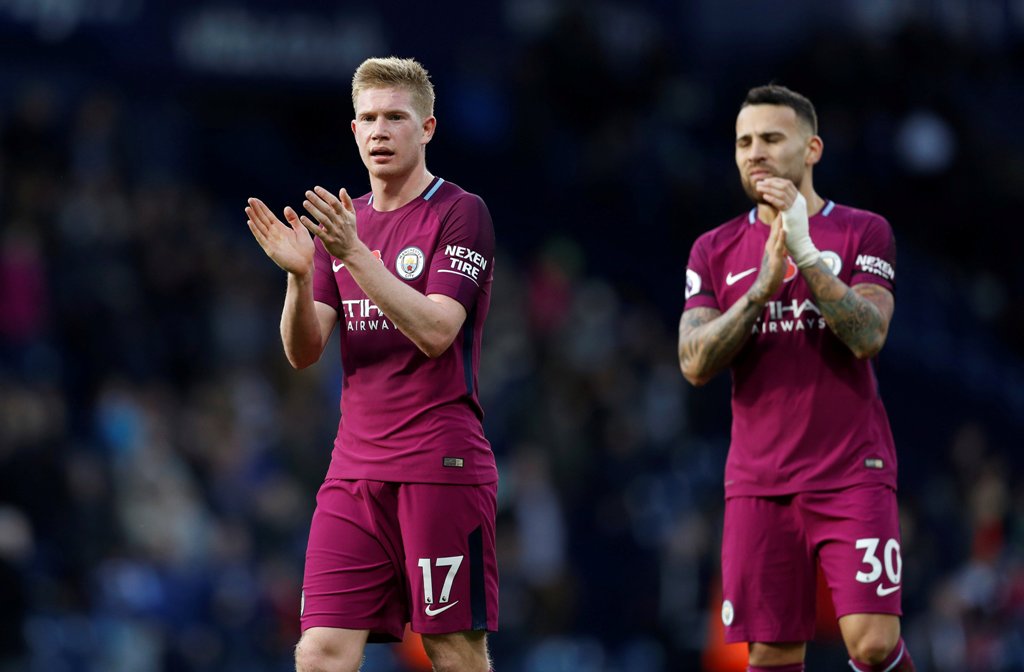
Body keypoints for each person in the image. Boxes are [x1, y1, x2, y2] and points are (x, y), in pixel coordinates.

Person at [245, 57, 498, 672]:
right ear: (353, 131)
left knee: (452, 649)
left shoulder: (459, 213)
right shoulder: (342, 226)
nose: (380, 130)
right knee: (322, 649)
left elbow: (437, 330)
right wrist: (301, 278)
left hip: (440, 464)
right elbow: (303, 352)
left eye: (395, 117)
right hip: (353, 470)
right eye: (368, 119)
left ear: (428, 128)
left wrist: (353, 253)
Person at [677, 84, 915, 672]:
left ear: (811, 149)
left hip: (850, 472)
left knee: (872, 641)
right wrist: (761, 289)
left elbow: (868, 335)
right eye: (744, 142)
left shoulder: (864, 232)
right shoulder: (713, 249)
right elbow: (694, 361)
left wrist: (807, 258)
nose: (755, 152)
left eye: (771, 139)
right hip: (759, 482)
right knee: (773, 654)